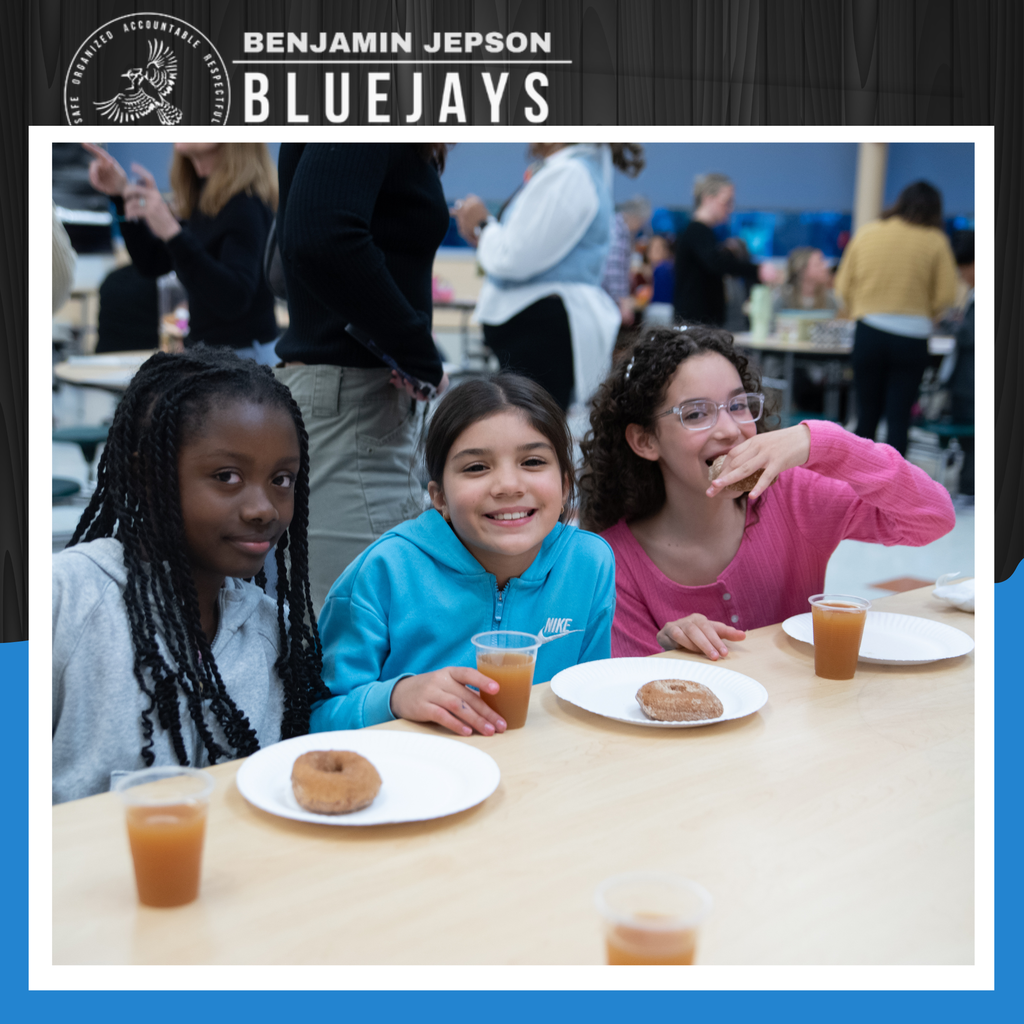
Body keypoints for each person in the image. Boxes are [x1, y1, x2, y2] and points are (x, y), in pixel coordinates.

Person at [578, 326, 955, 659]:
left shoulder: (794, 497)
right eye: (695, 413)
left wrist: (821, 443)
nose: (729, 429)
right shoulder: (612, 564)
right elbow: (637, 701)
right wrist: (672, 652)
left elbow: (932, 518)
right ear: (644, 440)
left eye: (738, 405)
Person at [52, 347, 326, 803]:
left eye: (282, 479)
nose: (263, 509)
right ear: (147, 476)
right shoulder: (65, 599)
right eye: (226, 476)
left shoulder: (270, 629)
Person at [312, 373, 616, 736]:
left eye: (533, 462)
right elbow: (317, 717)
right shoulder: (384, 571)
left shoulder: (589, 563)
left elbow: (592, 696)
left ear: (565, 485)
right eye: (476, 467)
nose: (508, 486)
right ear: (439, 497)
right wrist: (394, 698)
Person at [273, 143, 452, 611]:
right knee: (350, 641)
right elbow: (320, 235)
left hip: (362, 406)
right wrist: (416, 350)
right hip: (351, 412)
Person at [451, 144, 645, 410]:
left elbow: (513, 257)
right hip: (539, 329)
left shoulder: (569, 175)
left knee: (533, 428)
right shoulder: (576, 171)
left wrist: (483, 224)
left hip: (539, 332)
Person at [83, 143, 280, 363]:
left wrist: (171, 232)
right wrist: (121, 196)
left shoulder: (246, 203)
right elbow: (153, 262)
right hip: (212, 355)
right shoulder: (202, 194)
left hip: (245, 361)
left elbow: (234, 298)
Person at [834, 180, 959, 456]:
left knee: (866, 416)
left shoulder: (868, 233)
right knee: (899, 419)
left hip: (869, 331)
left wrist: (864, 307)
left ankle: (855, 490)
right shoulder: (935, 241)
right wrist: (926, 312)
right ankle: (895, 495)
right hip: (912, 338)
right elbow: (946, 296)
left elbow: (842, 286)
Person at [673, 173, 776, 326]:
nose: (730, 208)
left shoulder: (701, 232)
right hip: (695, 323)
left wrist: (727, 251)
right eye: (726, 202)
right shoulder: (697, 230)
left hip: (701, 322)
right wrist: (756, 270)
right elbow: (715, 262)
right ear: (708, 198)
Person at [603, 195, 652, 329]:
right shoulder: (618, 231)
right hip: (609, 301)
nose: (639, 227)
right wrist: (623, 302)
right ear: (636, 217)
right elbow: (614, 269)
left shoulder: (613, 225)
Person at [775, 246, 838, 312]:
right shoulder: (783, 300)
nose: (825, 267)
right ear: (802, 270)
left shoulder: (830, 301)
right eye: (818, 263)